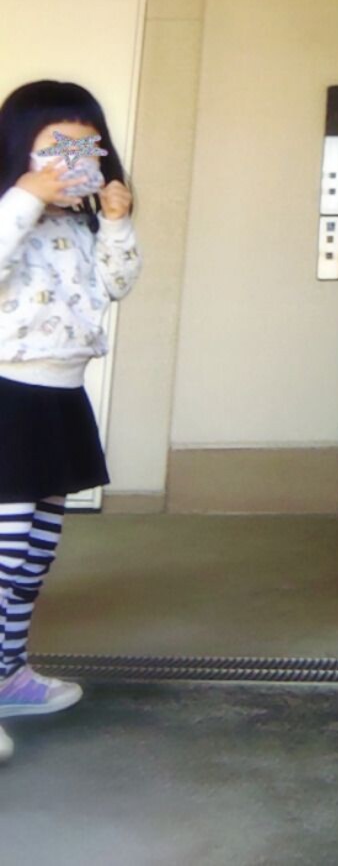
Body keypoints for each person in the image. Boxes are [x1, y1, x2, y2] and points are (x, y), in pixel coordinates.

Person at [0, 80, 141, 762]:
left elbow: (117, 284)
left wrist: (114, 221)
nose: (72, 163)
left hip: (60, 396)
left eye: (86, 148)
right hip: (8, 395)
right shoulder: (11, 214)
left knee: (35, 552)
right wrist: (26, 196)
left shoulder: (81, 225)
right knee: (4, 552)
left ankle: (9, 674)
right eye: (55, 149)